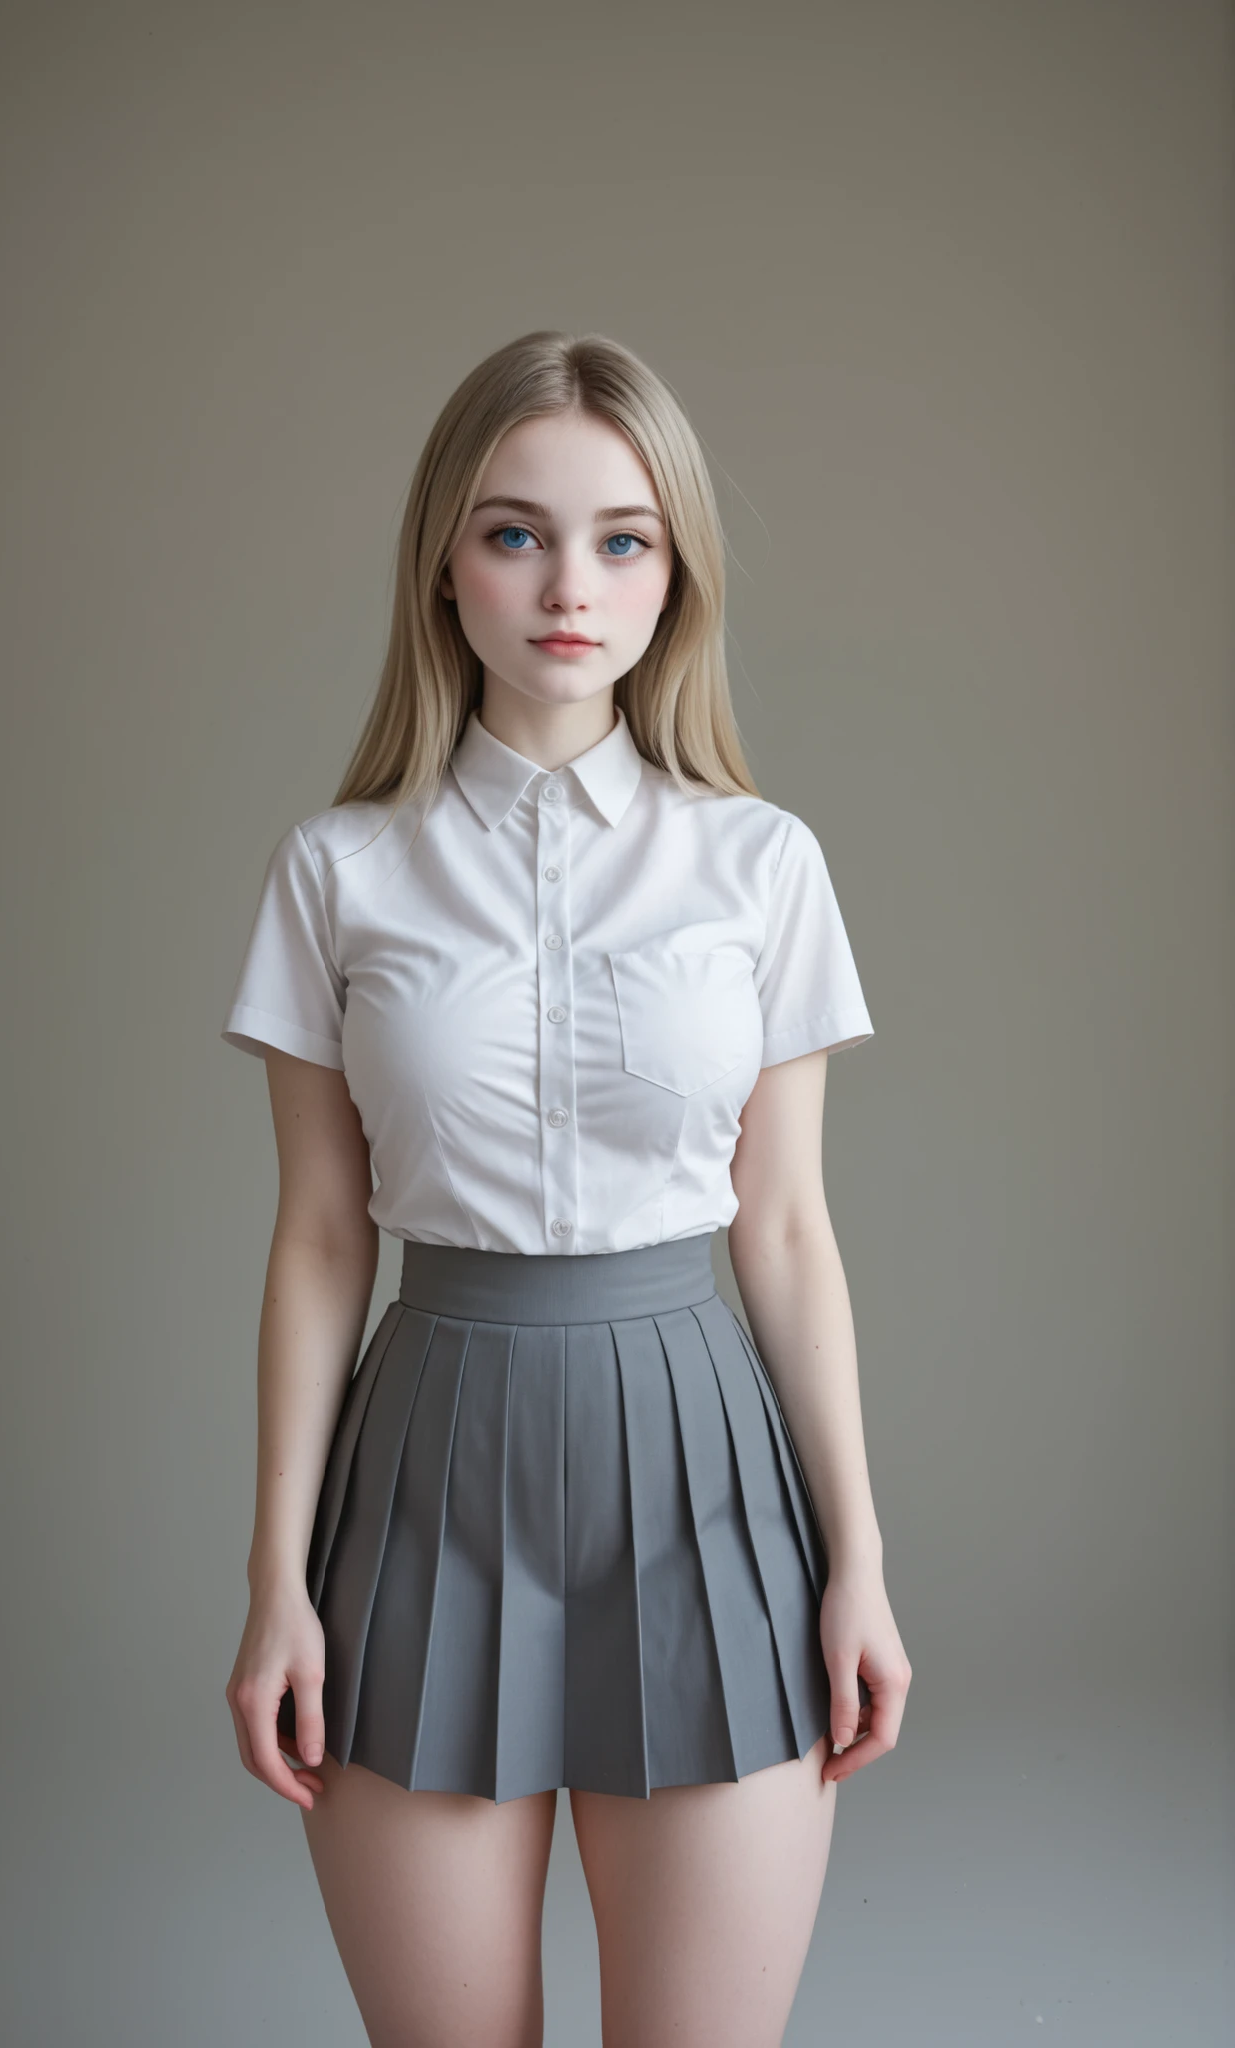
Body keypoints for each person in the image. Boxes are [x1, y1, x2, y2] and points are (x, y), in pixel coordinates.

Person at [219, 328, 911, 2047]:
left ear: (676, 577)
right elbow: (318, 1242)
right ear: (445, 563)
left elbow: (790, 1228)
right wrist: (275, 1584)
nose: (568, 586)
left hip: (707, 1488)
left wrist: (861, 1560)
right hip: (427, 1481)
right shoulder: (338, 870)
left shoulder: (761, 862)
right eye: (516, 532)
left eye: (624, 538)